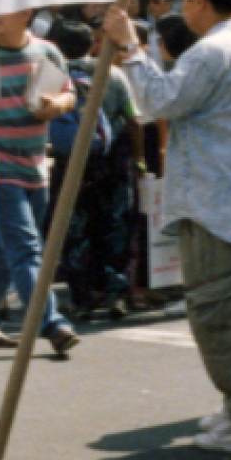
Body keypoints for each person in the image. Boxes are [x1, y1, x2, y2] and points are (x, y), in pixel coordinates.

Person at [104, 0, 231, 455]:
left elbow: (157, 102)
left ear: (199, 0)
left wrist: (129, 47)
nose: (185, 9)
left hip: (218, 203)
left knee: (220, 315)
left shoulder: (213, 53)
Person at [0, 10, 80, 355]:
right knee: (26, 247)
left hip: (37, 163)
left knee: (5, 257)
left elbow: (69, 94)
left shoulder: (47, 51)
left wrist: (56, 106)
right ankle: (51, 323)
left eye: (3, 9)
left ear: (25, 14)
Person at [50, 19, 143, 321]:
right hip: (112, 160)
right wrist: (139, 159)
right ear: (92, 43)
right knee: (115, 225)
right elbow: (133, 119)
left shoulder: (53, 76)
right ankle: (116, 293)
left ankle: (81, 298)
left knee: (75, 229)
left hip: (70, 162)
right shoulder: (113, 74)